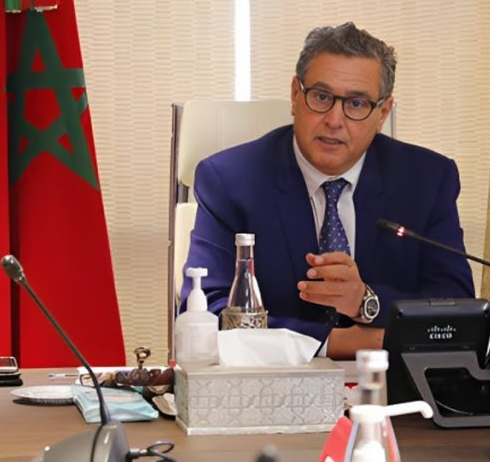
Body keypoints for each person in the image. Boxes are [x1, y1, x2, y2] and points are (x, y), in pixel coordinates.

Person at [180, 22, 475, 358]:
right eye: (321, 97)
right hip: (275, 382)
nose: (335, 120)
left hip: (392, 383)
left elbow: (457, 308)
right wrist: (332, 343)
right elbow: (206, 313)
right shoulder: (230, 180)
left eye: (357, 104)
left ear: (382, 113)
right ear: (295, 95)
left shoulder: (427, 179)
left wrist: (366, 302)